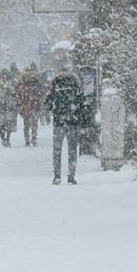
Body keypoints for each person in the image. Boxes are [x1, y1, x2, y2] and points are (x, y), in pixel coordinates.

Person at [46, 50, 85, 185]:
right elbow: (81, 103)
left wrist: (53, 109)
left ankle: (57, 176)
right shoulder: (75, 82)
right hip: (73, 121)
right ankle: (71, 176)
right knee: (72, 150)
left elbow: (48, 103)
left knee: (57, 150)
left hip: (59, 121)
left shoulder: (55, 82)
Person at [16, 64, 44, 147]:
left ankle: (27, 139)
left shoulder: (22, 84)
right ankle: (34, 138)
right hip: (34, 106)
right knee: (34, 123)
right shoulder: (36, 83)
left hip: (25, 107)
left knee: (26, 124)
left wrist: (21, 104)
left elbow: (18, 95)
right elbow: (40, 94)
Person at [0, 69, 20, 146]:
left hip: (2, 108)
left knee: (3, 125)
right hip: (8, 108)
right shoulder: (11, 86)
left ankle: (5, 139)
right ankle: (6, 139)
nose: (4, 79)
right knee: (7, 125)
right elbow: (16, 96)